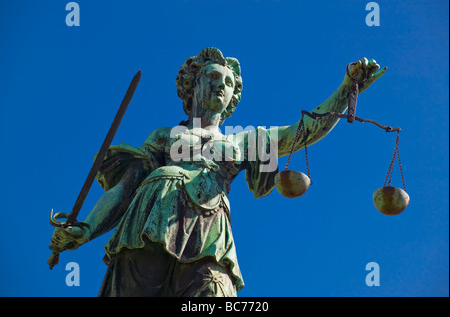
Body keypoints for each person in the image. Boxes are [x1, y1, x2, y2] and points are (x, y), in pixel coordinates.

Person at [49, 47, 385, 296]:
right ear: (192, 86)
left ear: (232, 98)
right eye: (211, 77)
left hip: (210, 230)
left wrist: (346, 89)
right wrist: (88, 228)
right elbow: (124, 190)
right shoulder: (165, 136)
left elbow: (303, 129)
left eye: (228, 82)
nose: (220, 85)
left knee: (215, 291)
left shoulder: (246, 141)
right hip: (147, 222)